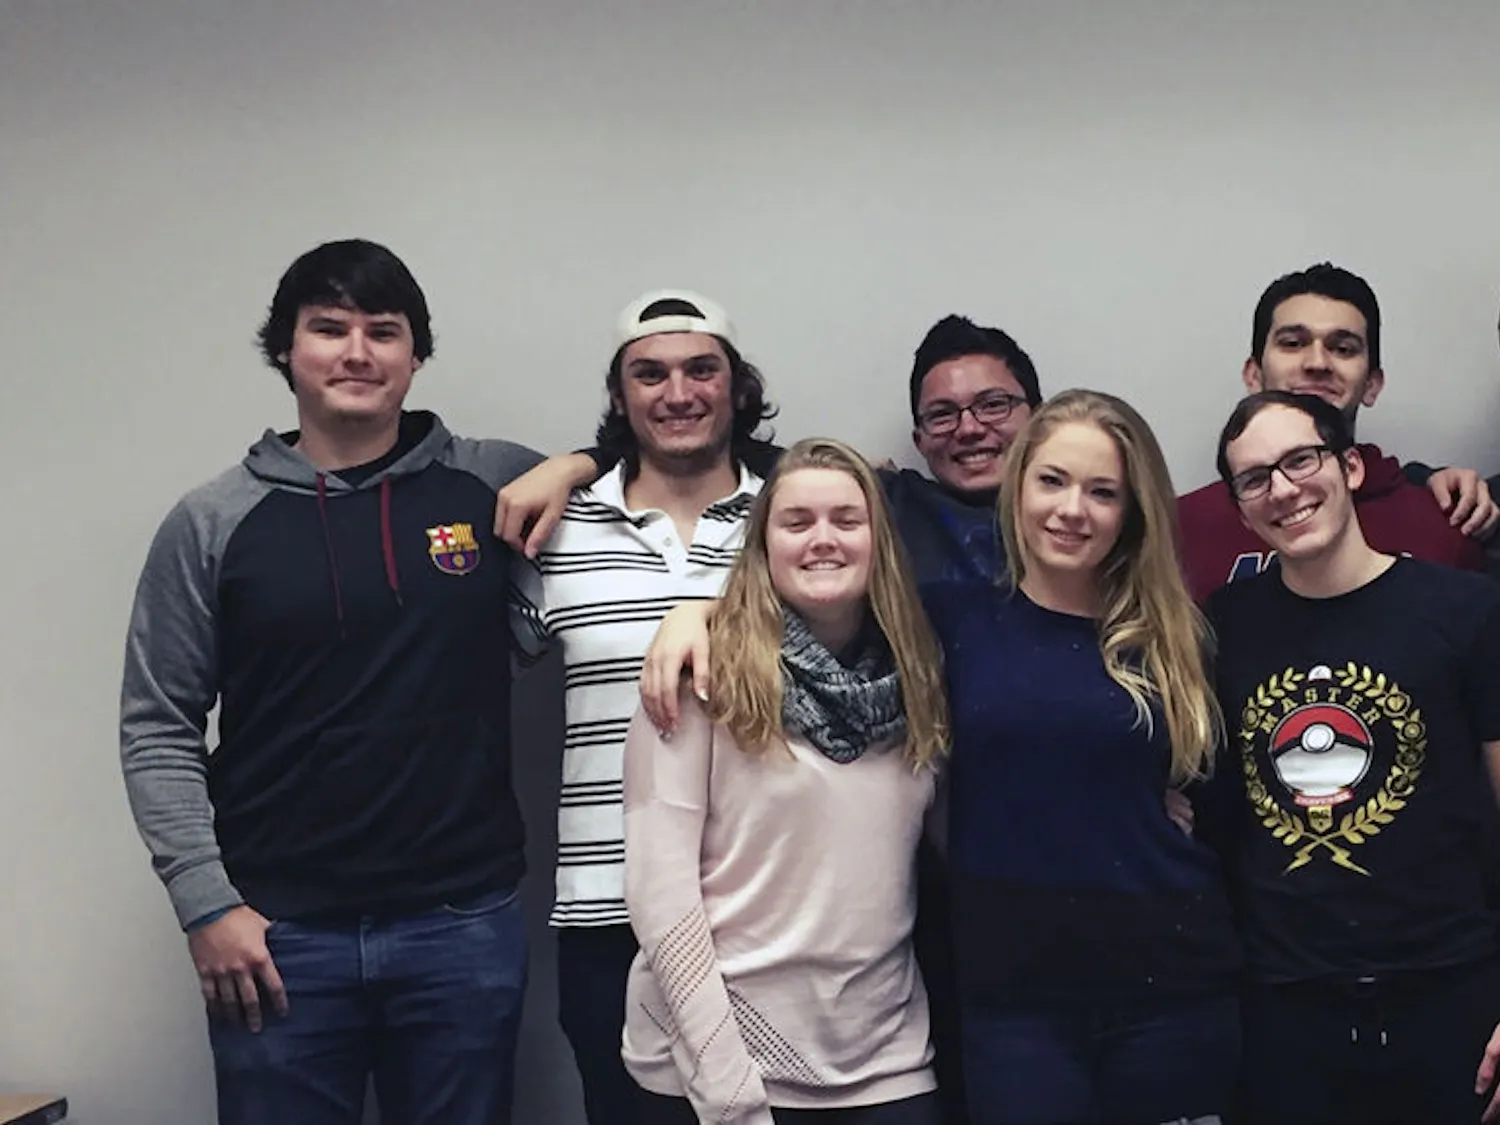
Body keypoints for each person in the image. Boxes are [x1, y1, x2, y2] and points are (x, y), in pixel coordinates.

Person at [118, 239, 540, 1124]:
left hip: (462, 923)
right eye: (329, 328)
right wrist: (208, 906)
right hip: (276, 937)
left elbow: (651, 477)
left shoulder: (493, 482)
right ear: (286, 351)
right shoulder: (212, 521)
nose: (357, 352)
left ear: (415, 356)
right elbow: (158, 726)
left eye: (383, 331)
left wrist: (575, 466)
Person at [920, 389, 1241, 1125]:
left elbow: (1222, 803)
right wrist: (697, 615)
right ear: (1018, 483)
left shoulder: (1179, 638)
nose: (1073, 509)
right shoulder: (949, 619)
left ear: (1133, 512)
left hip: (1172, 987)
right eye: (1054, 480)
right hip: (1014, 997)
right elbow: (809, 594)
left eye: (1103, 492)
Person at [621, 438, 949, 1125]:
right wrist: (727, 1085)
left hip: (885, 1055)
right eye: (796, 522)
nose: (822, 539)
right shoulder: (699, 677)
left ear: (878, 541)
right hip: (716, 1060)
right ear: (762, 544)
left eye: (846, 520)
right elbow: (661, 894)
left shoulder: (921, 680)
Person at [508, 289, 774, 1124]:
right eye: (648, 373)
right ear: (620, 397)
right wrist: (575, 464)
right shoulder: (558, 527)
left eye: (703, 369)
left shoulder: (796, 514)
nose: (679, 391)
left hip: (765, 902)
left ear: (737, 387)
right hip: (604, 906)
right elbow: (459, 677)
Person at [1205, 390, 1500, 1124]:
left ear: (1350, 467)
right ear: (1241, 509)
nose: (1283, 488)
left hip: (1452, 993)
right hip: (1286, 1011)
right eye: (1254, 478)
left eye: (1300, 459)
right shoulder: (1221, 628)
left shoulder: (1465, 611)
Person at [1178, 262, 1496, 601]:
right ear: (1253, 374)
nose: (1317, 363)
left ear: (1372, 384)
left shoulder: (1447, 520)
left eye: (1343, 348)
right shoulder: (1181, 526)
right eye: (1293, 343)